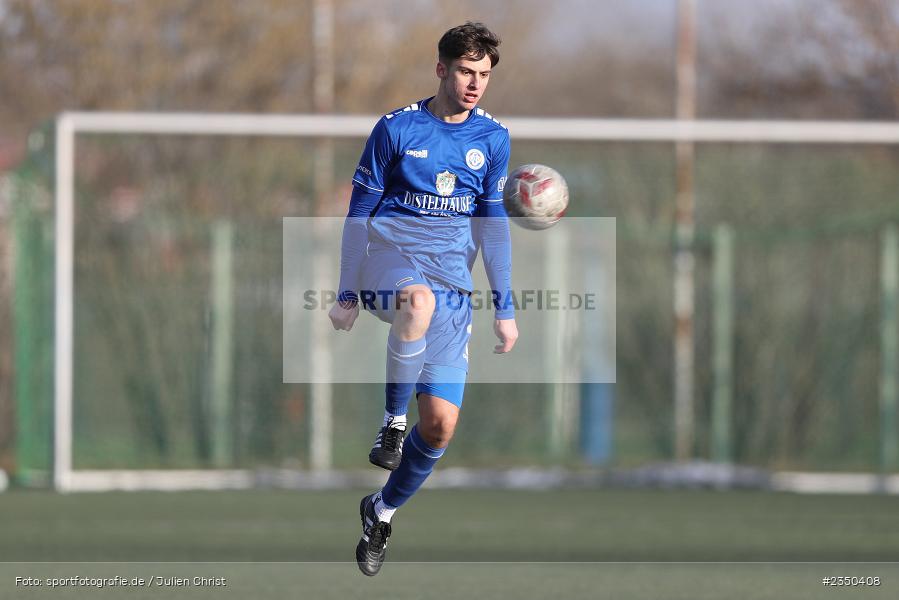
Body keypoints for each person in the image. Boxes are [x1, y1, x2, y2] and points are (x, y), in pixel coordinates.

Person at [328, 21, 517, 577]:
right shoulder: (394, 129)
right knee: (418, 303)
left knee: (440, 427)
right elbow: (358, 214)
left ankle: (380, 511)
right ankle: (391, 421)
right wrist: (346, 293)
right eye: (465, 71)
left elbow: (493, 228)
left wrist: (505, 308)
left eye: (483, 74)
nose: (474, 83)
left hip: (454, 288)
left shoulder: (493, 140)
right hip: (390, 262)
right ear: (441, 68)